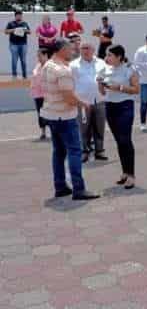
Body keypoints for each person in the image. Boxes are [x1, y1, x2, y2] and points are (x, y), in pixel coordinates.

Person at [41, 38, 100, 201]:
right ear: (61, 50)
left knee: (58, 152)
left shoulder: (47, 65)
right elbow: (68, 98)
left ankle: (60, 187)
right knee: (75, 151)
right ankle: (78, 189)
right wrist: (83, 104)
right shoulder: (62, 70)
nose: (73, 51)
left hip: (52, 114)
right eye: (69, 48)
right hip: (64, 116)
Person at [99, 45, 140, 190]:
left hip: (125, 106)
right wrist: (100, 83)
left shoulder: (129, 69)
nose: (107, 58)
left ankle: (131, 175)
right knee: (119, 141)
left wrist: (120, 88)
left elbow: (136, 89)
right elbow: (103, 93)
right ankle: (124, 172)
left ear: (119, 56)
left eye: (110, 55)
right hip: (110, 107)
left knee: (125, 140)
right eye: (106, 55)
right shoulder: (106, 69)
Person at [70, 40, 108, 163]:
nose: (85, 50)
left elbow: (107, 79)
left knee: (99, 127)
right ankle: (84, 151)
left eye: (88, 48)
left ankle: (99, 150)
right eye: (83, 48)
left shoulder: (101, 63)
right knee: (83, 128)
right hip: (82, 102)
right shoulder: (73, 65)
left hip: (99, 100)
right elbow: (70, 84)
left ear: (93, 50)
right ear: (79, 50)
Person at [30, 48, 50, 140]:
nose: (38, 58)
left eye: (40, 55)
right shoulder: (37, 66)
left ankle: (54, 132)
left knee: (49, 113)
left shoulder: (50, 66)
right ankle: (43, 132)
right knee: (40, 113)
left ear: (46, 55)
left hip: (48, 94)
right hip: (37, 94)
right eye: (37, 56)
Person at [5, 10, 31, 79]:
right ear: (15, 16)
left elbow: (29, 32)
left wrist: (25, 30)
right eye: (18, 15)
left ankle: (24, 76)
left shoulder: (24, 23)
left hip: (23, 44)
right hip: (13, 44)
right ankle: (14, 75)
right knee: (14, 60)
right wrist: (14, 30)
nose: (19, 16)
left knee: (23, 60)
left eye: (20, 15)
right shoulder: (10, 23)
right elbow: (6, 31)